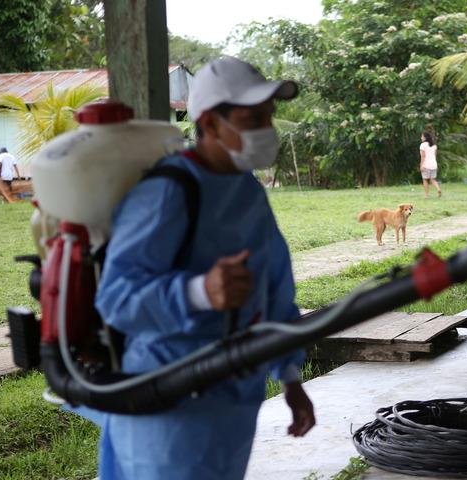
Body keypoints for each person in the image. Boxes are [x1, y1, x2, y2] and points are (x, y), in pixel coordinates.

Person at [92, 56, 315, 479]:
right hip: (167, 400)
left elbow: (274, 289)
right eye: (253, 119)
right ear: (211, 124)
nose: (267, 130)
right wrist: (199, 292)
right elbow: (116, 297)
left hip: (232, 400)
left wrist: (290, 378)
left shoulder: (246, 189)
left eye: (268, 117)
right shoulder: (168, 191)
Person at [419, 131, 441, 198]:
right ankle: (438, 189)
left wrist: (421, 165)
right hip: (434, 164)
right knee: (433, 179)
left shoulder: (422, 145)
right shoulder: (434, 146)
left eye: (422, 136)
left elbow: (423, 156)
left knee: (425, 180)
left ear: (425, 138)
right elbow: (435, 156)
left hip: (426, 165)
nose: (421, 138)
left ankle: (427, 195)